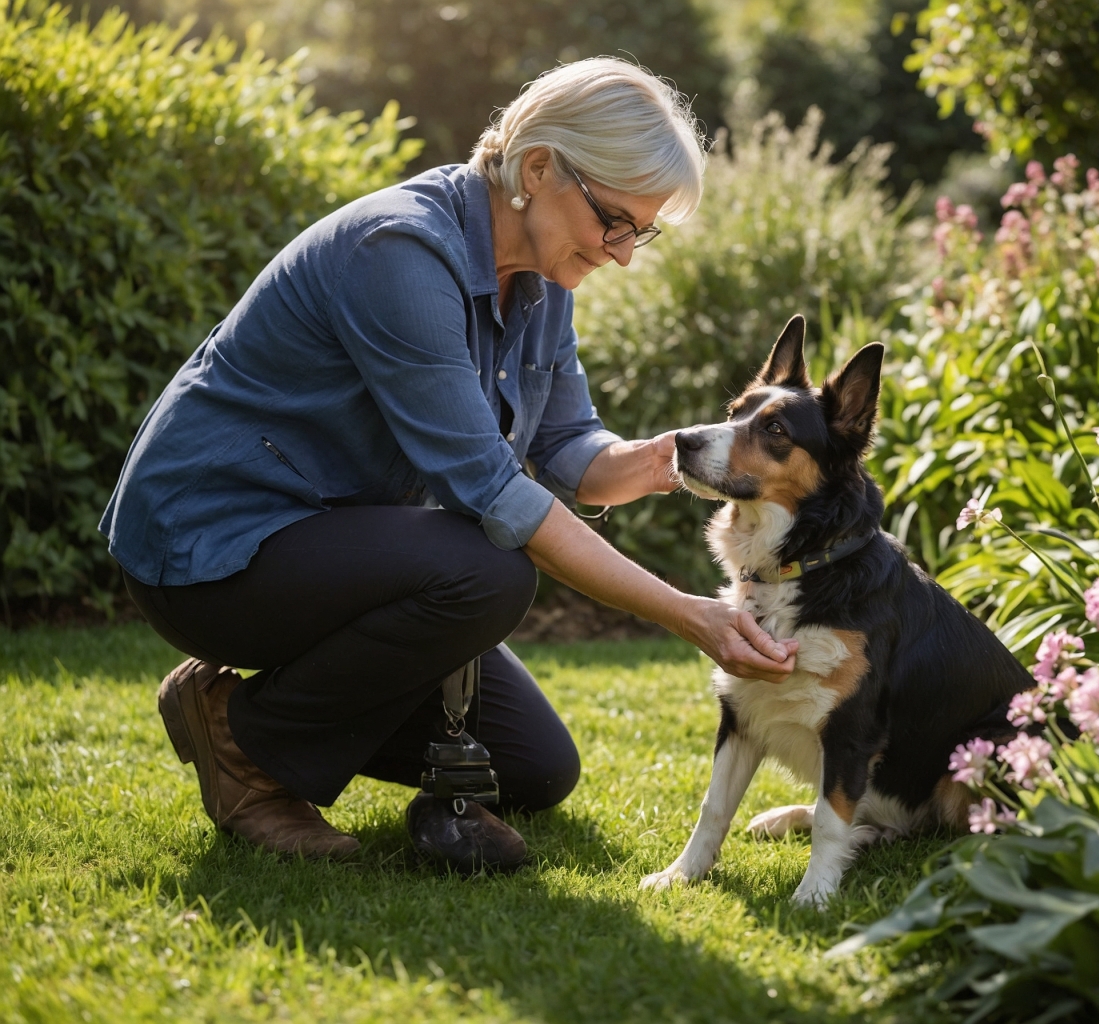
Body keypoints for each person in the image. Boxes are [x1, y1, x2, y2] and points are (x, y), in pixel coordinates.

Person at [100, 58, 798, 872]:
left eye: (638, 232)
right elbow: (492, 493)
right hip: (210, 549)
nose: (623, 255)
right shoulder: (399, 251)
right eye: (614, 221)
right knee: (486, 569)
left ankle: (225, 702)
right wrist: (689, 612)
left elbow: (573, 452)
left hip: (335, 541)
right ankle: (248, 746)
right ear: (539, 168)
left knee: (536, 769)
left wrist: (672, 457)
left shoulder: (541, 280)